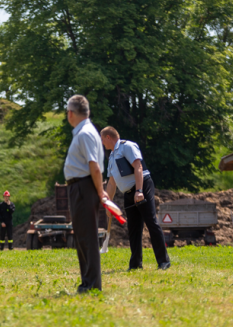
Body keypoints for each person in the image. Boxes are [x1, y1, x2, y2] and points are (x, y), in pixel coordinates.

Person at [101, 126, 171, 271]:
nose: (102, 144)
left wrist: (139, 191)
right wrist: (109, 204)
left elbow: (138, 167)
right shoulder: (112, 156)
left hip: (142, 187)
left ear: (108, 137)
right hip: (128, 192)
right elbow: (112, 183)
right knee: (133, 228)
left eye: (102, 140)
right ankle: (135, 264)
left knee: (151, 222)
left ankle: (163, 262)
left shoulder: (128, 146)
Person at [64, 95, 109, 293]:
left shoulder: (85, 134)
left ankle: (91, 284)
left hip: (84, 187)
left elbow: (95, 166)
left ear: (70, 113)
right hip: (81, 187)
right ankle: (88, 282)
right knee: (82, 236)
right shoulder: (85, 132)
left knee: (87, 237)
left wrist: (101, 192)